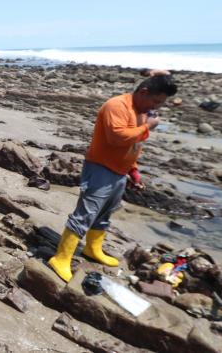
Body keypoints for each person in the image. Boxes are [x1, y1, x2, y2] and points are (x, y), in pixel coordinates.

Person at [48, 73, 177, 282]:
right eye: (156, 101)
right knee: (85, 213)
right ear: (143, 92)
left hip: (120, 171)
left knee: (105, 214)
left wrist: (133, 171)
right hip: (100, 168)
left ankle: (92, 249)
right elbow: (117, 138)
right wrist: (147, 128)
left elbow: (134, 144)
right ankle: (61, 258)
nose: (157, 107)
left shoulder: (142, 111)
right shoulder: (116, 106)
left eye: (161, 103)